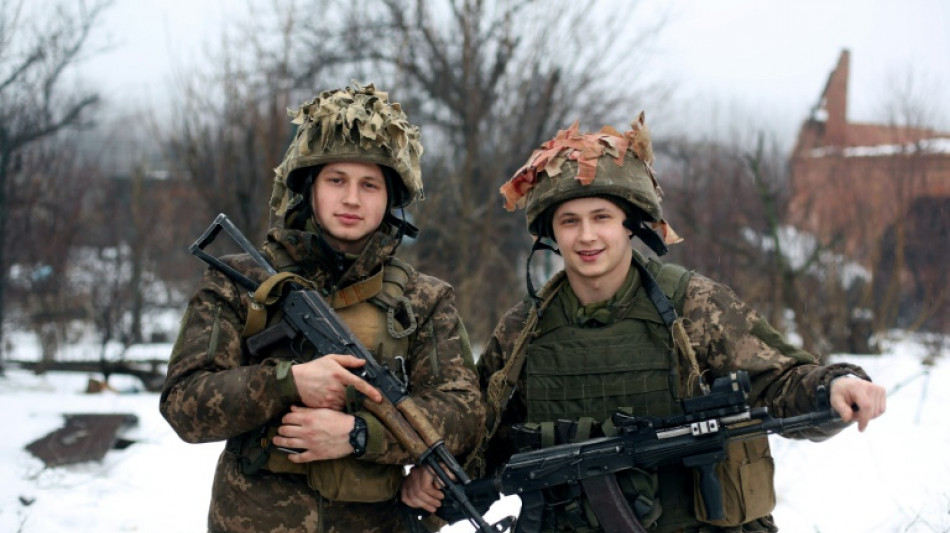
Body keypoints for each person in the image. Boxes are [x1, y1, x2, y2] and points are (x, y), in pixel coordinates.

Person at [401, 115, 886, 532]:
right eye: (569, 221)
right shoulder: (525, 328)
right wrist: (440, 476)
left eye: (602, 217)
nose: (587, 236)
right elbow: (485, 430)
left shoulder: (694, 305)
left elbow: (778, 382)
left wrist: (835, 386)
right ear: (551, 233)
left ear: (629, 224)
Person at [160, 84, 485, 533]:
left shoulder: (424, 299)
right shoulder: (242, 282)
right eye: (337, 180)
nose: (352, 199)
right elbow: (183, 404)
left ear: (390, 199)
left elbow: (464, 413)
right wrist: (287, 383)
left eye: (369, 184)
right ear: (309, 187)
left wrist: (357, 435)